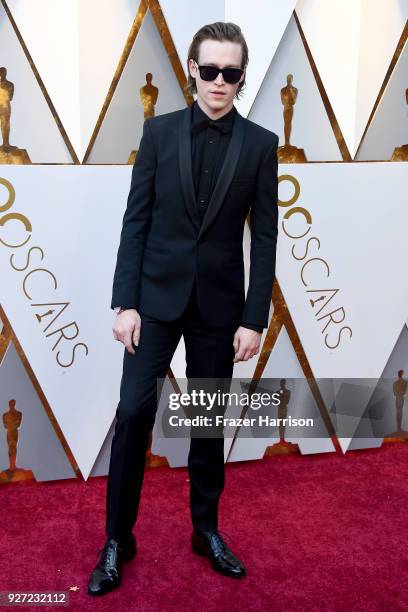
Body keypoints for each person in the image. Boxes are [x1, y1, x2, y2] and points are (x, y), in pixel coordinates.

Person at [88, 21, 279, 596]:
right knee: (132, 415)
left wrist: (254, 317)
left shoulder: (262, 145)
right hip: (155, 302)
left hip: (220, 308)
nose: (220, 81)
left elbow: (265, 238)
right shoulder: (158, 134)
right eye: (210, 69)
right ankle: (118, 539)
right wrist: (125, 302)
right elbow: (136, 220)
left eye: (232, 72)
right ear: (193, 69)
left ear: (242, 78)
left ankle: (205, 530)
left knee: (206, 425)